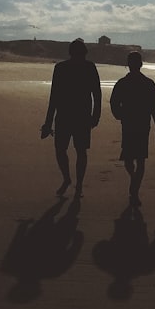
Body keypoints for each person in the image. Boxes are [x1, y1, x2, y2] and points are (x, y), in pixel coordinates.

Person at [42, 38, 101, 197]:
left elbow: (54, 97)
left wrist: (48, 122)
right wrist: (96, 115)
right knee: (77, 151)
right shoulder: (86, 67)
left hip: (67, 115)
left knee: (65, 150)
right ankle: (73, 181)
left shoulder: (62, 68)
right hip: (78, 116)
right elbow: (97, 94)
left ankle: (73, 181)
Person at [109, 51, 155, 207]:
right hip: (138, 124)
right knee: (136, 159)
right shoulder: (146, 83)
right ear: (140, 64)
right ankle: (134, 181)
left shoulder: (127, 83)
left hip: (132, 124)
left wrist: (119, 115)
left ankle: (134, 188)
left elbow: (114, 103)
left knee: (132, 158)